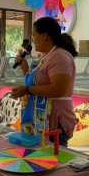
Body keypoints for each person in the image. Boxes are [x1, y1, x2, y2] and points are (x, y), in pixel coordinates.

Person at [11, 17, 78, 147]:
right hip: (38, 119)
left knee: (52, 159)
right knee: (38, 159)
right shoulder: (45, 56)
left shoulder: (60, 56)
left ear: (45, 36)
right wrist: (24, 67)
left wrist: (26, 90)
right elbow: (38, 83)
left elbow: (58, 89)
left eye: (34, 35)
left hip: (54, 120)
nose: (32, 40)